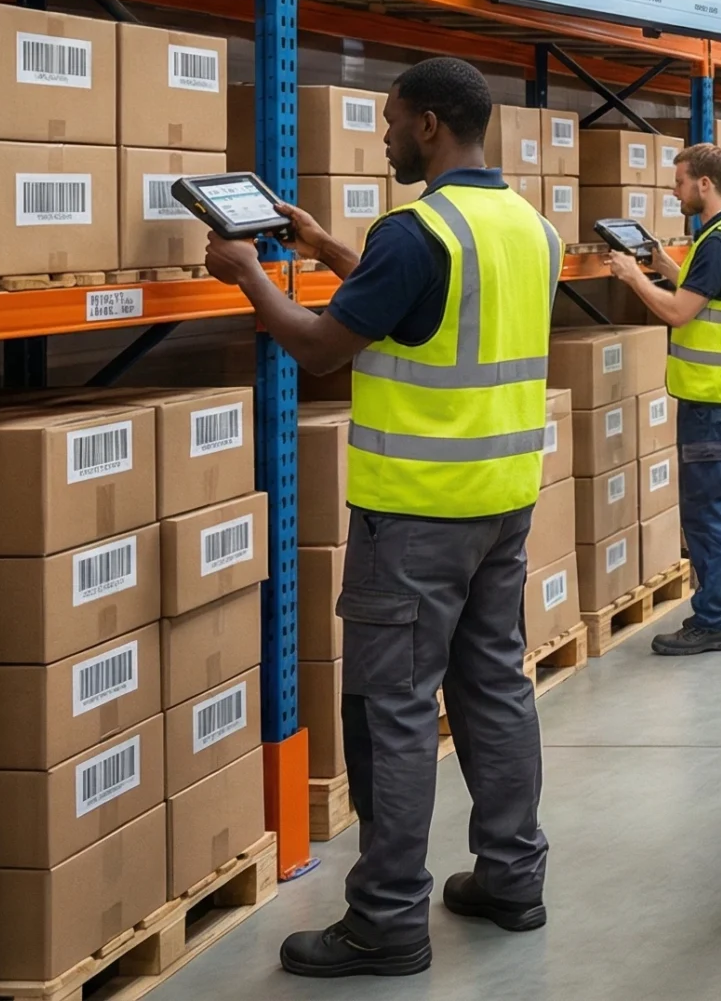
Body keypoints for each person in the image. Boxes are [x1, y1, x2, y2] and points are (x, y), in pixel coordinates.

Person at [205, 57, 560, 978]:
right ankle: (514, 877)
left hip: (413, 515)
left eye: (395, 120)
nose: (389, 134)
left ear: (433, 124)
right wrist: (324, 248)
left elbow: (325, 345)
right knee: (493, 687)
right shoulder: (526, 224)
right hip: (504, 500)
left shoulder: (417, 228)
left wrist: (249, 273)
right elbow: (424, 311)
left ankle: (387, 919)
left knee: (393, 710)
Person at [608, 142, 721, 655]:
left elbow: (678, 313)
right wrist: (658, 263)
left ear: (705, 184)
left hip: (711, 403)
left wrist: (631, 278)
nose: (674, 192)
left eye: (678, 182)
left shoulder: (717, 241)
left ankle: (713, 618)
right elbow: (700, 291)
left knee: (708, 510)